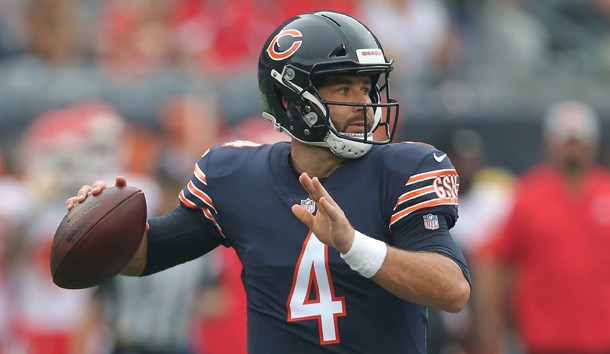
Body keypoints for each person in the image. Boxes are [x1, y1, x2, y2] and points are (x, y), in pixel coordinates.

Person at [65, 11, 470, 354]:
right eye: (344, 89)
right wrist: (94, 220)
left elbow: (452, 289)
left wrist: (352, 245)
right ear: (292, 102)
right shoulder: (235, 175)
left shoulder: (406, 168)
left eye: (367, 88)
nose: (364, 105)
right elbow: (146, 256)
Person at [473, 100, 610, 354]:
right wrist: (491, 325)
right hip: (544, 340)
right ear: (550, 144)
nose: (573, 150)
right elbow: (492, 258)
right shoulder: (528, 195)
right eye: (567, 142)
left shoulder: (606, 192)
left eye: (578, 142)